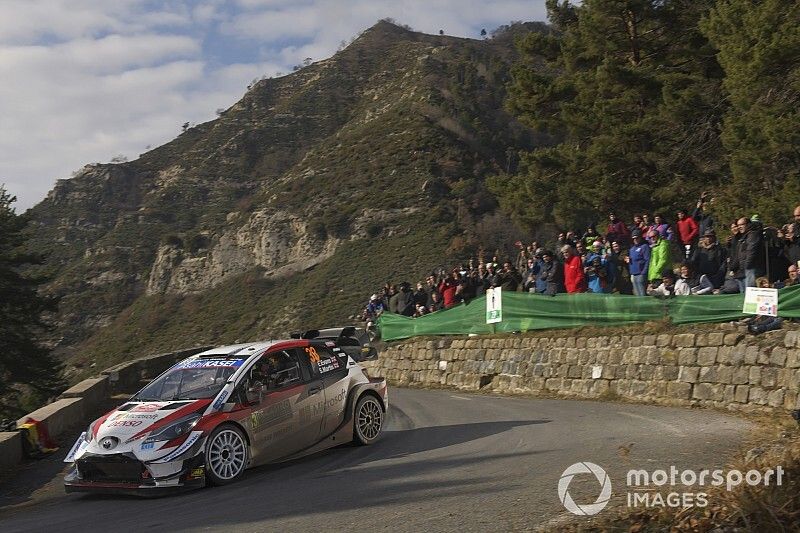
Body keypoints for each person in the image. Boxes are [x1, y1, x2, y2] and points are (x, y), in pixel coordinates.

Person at [626, 230, 650, 296]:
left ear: (640, 237)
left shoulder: (644, 246)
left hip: (641, 273)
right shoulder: (632, 249)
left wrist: (644, 272)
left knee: (642, 293)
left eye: (637, 238)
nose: (635, 240)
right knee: (637, 294)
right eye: (634, 238)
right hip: (633, 273)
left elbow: (647, 260)